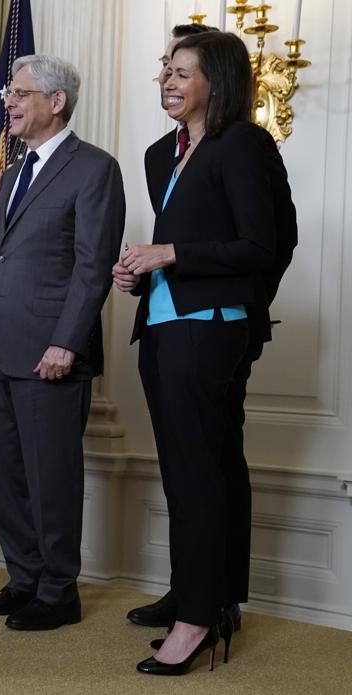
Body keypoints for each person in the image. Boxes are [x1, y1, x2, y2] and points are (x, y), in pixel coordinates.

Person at [112, 31, 282, 675]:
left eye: (183, 72)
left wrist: (175, 256)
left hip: (210, 330)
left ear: (219, 80)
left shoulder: (243, 144)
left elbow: (262, 244)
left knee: (201, 472)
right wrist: (141, 270)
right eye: (166, 70)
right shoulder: (163, 153)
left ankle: (198, 621)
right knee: (191, 469)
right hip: (162, 326)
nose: (168, 81)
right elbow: (180, 242)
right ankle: (203, 594)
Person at [0, 55, 125, 631]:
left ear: (56, 102)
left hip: (53, 354)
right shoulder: (11, 173)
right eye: (8, 92)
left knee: (51, 475)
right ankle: (24, 579)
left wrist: (67, 343)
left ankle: (60, 590)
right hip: (2, 349)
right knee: (8, 472)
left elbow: (92, 267)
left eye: (20, 93)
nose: (7, 102)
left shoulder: (95, 169)